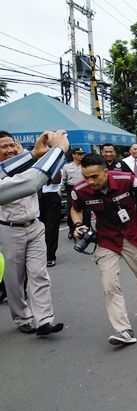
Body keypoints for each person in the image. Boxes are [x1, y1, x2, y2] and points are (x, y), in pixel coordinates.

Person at [70, 153, 137, 346]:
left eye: (95, 176)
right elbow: (74, 209)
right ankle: (124, 330)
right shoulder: (80, 190)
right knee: (110, 285)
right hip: (106, 240)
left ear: (106, 171)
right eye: (86, 177)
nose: (90, 181)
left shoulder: (125, 179)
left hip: (131, 234)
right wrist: (78, 224)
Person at [0, 130, 66, 336]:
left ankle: (44, 319)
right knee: (14, 279)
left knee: (39, 273)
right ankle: (22, 317)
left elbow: (50, 178)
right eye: (4, 147)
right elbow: (31, 182)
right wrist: (58, 150)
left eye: (12, 145)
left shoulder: (25, 163)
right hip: (9, 229)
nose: (10, 150)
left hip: (35, 226)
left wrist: (34, 154)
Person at [62, 147, 90, 239]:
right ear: (73, 155)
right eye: (79, 154)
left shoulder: (86, 166)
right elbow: (63, 180)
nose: (81, 155)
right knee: (71, 210)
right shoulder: (67, 167)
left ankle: (87, 230)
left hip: (85, 190)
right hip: (72, 190)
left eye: (82, 154)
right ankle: (72, 229)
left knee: (86, 211)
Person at [38, 167, 62, 267]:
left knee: (51, 228)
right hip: (37, 197)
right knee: (39, 228)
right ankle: (40, 254)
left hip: (52, 197)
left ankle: (50, 256)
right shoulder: (34, 163)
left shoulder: (54, 165)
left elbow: (57, 180)